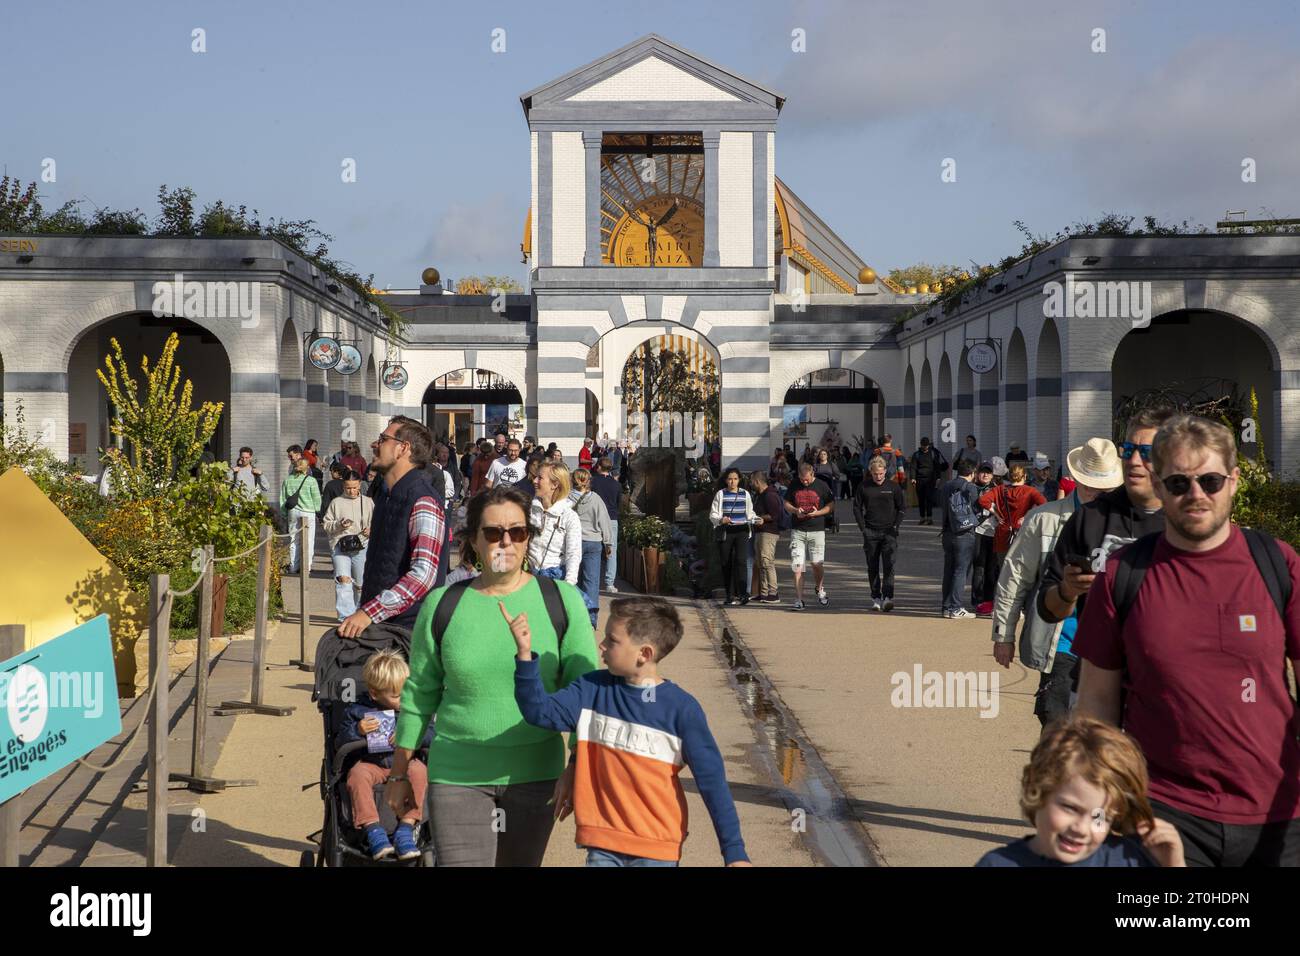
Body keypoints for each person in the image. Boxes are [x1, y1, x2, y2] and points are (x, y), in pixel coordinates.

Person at [1074, 414, 1300, 866]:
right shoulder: (1123, 574)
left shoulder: (1279, 565)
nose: (1196, 494)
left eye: (1210, 480)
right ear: (1157, 486)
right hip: (1161, 812)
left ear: (1233, 482)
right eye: (1178, 483)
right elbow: (1096, 703)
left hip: (1279, 813)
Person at [385, 484, 600, 867]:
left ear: (528, 537)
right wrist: (399, 772)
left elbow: (584, 693)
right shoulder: (443, 604)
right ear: (472, 539)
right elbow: (420, 693)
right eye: (493, 532)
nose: (506, 542)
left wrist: (577, 764)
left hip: (537, 776)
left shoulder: (562, 601)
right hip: (457, 774)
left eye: (517, 532)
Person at [510, 596, 751, 867]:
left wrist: (735, 852)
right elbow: (538, 712)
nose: (601, 645)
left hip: (656, 848)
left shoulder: (682, 710)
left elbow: (713, 784)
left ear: (644, 654)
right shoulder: (591, 689)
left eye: (612, 641)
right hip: (602, 842)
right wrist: (524, 655)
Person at [991, 438, 1122, 726]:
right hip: (1062, 643)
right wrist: (1004, 634)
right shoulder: (1043, 520)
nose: (1098, 495)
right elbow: (1015, 577)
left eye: (1106, 490)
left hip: (1114, 647)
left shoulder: (1126, 522)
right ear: (1077, 481)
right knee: (1058, 729)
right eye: (1091, 487)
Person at [975, 717, 1184, 867]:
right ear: (1036, 791)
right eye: (1070, 808)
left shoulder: (1126, 860)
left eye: (1100, 816)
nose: (1082, 828)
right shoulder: (997, 864)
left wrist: (1173, 863)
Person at [1037, 407, 1175, 632]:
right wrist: (1067, 590)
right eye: (1129, 450)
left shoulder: (1189, 521)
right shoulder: (1089, 516)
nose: (1134, 461)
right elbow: (1047, 609)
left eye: (1147, 452)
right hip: (1096, 664)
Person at [338, 416, 446, 639]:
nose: (374, 445)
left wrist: (369, 613)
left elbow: (423, 576)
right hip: (382, 628)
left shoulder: (422, 499)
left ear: (402, 449)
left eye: (383, 439)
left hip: (407, 635)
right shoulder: (388, 495)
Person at [341, 649, 435, 861]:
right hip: (371, 762)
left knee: (420, 771)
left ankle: (406, 826)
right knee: (357, 775)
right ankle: (373, 829)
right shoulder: (357, 709)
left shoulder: (412, 710)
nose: (403, 699)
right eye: (396, 696)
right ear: (374, 693)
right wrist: (358, 730)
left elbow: (432, 733)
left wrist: (411, 735)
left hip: (405, 762)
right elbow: (341, 740)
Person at [978, 464, 1046, 597]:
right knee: (1020, 571)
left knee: (1003, 570)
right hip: (1022, 534)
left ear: (1009, 476)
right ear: (1024, 476)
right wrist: (1027, 516)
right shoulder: (1030, 491)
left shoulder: (1000, 489)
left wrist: (997, 514)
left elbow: (983, 500)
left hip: (1003, 532)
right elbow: (1044, 504)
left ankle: (1000, 601)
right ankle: (1017, 603)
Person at [853, 455, 905, 612]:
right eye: (875, 474)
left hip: (889, 532)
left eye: (881, 473)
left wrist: (896, 526)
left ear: (885, 471)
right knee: (872, 566)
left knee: (889, 564)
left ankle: (888, 597)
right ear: (871, 472)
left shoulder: (894, 487)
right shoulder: (863, 486)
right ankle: (876, 597)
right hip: (871, 532)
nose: (878, 477)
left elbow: (902, 508)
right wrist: (863, 528)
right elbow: (856, 508)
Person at [323, 470, 374, 623]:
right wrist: (339, 525)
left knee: (360, 584)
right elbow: (326, 524)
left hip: (362, 545)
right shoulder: (336, 503)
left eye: (354, 487)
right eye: (348, 488)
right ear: (343, 486)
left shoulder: (368, 502)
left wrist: (371, 530)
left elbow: (377, 522)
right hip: (340, 546)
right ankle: (345, 617)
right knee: (343, 579)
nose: (351, 491)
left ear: (360, 485)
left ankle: (359, 614)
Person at [783, 463, 835, 610]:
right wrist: (795, 510)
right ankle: (799, 600)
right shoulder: (794, 484)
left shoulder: (822, 485)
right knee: (797, 566)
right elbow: (786, 503)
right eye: (802, 479)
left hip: (817, 530)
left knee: (816, 564)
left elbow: (831, 505)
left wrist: (817, 513)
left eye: (807, 479)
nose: (804, 482)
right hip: (798, 531)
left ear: (813, 474)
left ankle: (819, 588)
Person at [709, 467, 762, 606]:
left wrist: (757, 519)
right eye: (730, 479)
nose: (732, 482)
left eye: (735, 479)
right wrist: (721, 520)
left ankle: (743, 594)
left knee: (742, 561)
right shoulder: (721, 494)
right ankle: (729, 595)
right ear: (726, 480)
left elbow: (750, 513)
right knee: (726, 563)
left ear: (739, 480)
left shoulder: (745, 494)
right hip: (727, 531)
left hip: (742, 530)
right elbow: (713, 514)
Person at [569, 468, 613, 627]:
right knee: (591, 582)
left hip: (573, 543)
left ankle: (574, 616)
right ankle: (591, 619)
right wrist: (608, 543)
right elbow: (605, 521)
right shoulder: (596, 499)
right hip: (593, 542)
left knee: (572, 580)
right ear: (588, 481)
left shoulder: (567, 499)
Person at [938, 458, 981, 619]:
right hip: (965, 533)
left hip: (947, 532)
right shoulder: (971, 488)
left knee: (948, 570)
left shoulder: (947, 485)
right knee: (961, 570)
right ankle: (956, 607)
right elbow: (976, 508)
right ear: (972, 472)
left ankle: (946, 606)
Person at [529, 461, 583, 586]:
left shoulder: (569, 517)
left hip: (555, 580)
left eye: (540, 478)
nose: (534, 481)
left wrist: (569, 585)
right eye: (536, 477)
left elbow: (573, 554)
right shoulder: (528, 511)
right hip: (528, 578)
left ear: (554, 484)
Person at [281, 455, 321, 574]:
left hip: (293, 511)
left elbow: (283, 498)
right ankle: (306, 567)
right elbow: (316, 499)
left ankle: (294, 566)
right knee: (309, 539)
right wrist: (317, 511)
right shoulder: (311, 480)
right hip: (308, 512)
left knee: (294, 539)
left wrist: (284, 513)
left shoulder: (288, 480)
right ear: (307, 468)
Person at [750, 471, 785, 604]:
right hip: (760, 532)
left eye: (752, 482)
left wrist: (759, 518)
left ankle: (773, 592)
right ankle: (763, 593)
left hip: (769, 533)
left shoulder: (770, 495)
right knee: (761, 563)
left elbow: (774, 515)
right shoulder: (761, 495)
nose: (751, 484)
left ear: (757, 482)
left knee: (767, 562)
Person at [590, 457, 623, 593]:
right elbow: (619, 502)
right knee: (611, 551)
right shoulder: (616, 485)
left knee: (594, 549)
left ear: (598, 467)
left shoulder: (593, 482)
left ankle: (593, 580)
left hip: (595, 518)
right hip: (611, 518)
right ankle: (610, 583)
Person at [970, 461, 999, 613]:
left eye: (988, 472)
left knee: (991, 569)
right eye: (983, 472)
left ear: (992, 475)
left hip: (994, 533)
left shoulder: (997, 490)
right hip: (978, 532)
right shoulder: (972, 489)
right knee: (979, 568)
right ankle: (977, 600)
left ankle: (989, 600)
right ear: (977, 473)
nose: (985, 474)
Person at [909, 436, 947, 525]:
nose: (925, 447)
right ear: (921, 445)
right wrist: (913, 478)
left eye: (926, 446)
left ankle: (929, 518)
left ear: (928, 445)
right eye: (923, 446)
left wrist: (938, 478)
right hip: (919, 480)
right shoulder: (916, 455)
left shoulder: (933, 453)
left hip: (931, 480)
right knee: (921, 499)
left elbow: (937, 467)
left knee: (929, 499)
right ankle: (922, 517)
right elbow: (913, 467)